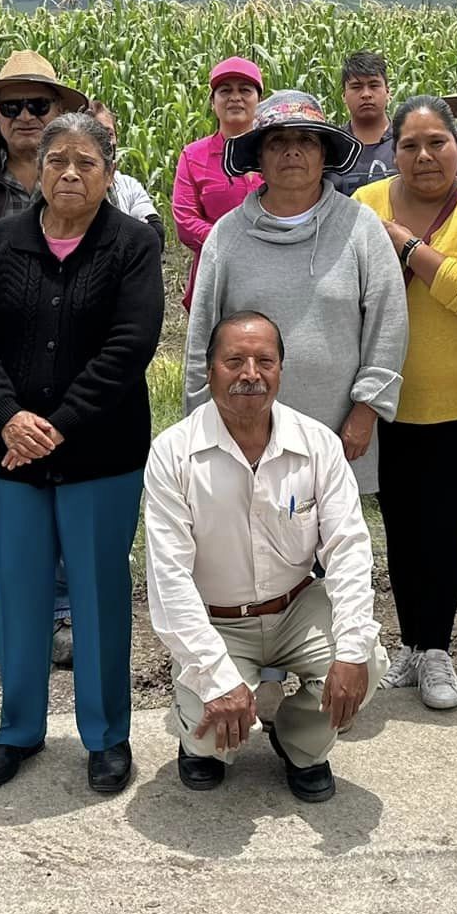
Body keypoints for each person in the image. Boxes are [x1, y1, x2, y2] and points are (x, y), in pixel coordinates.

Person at [0, 111, 165, 796]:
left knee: (100, 595)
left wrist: (57, 424)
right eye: (57, 162)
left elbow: (130, 346)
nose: (70, 174)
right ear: (39, 170)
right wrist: (11, 416)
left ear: (110, 171)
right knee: (17, 593)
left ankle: (107, 737)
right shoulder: (1, 241)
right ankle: (18, 729)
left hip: (101, 453)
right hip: (9, 452)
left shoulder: (132, 244)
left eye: (86, 162)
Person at [146, 312, 386, 801]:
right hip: (218, 620)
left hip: (298, 607)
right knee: (212, 729)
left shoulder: (317, 444)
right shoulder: (173, 453)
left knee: (367, 660)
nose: (250, 373)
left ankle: (299, 743)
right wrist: (216, 678)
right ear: (209, 371)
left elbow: (349, 547)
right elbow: (168, 578)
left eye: (265, 361)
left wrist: (352, 649)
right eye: (234, 361)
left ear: (281, 371)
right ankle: (201, 741)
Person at [356, 96, 457, 710]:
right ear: (392, 152)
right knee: (398, 523)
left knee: (442, 524)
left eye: (436, 143)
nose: (424, 156)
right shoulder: (364, 205)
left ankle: (440, 647)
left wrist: (406, 247)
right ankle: (413, 645)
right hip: (385, 397)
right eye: (410, 145)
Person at [0, 49, 88, 677]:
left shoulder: (85, 167)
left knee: (60, 484)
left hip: (68, 357)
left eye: (39, 105)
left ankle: (58, 610)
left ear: (60, 112)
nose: (26, 116)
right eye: (13, 107)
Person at [183, 89, 407, 493]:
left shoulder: (359, 227)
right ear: (258, 158)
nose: (292, 152)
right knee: (248, 546)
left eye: (306, 141)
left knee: (328, 548)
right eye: (277, 143)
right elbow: (202, 339)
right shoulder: (227, 236)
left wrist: (367, 409)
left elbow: (387, 324)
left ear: (324, 155)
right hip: (242, 431)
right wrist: (202, 425)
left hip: (337, 432)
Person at [170, 57, 265, 307]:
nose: (235, 97)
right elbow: (186, 223)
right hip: (215, 274)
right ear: (213, 103)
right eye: (225, 91)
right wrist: (235, 242)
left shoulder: (276, 154)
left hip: (273, 268)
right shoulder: (193, 156)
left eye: (245, 90)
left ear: (259, 101)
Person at [86, 99, 165, 242]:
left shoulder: (129, 185)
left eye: (109, 134)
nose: (106, 141)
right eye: (96, 133)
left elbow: (155, 233)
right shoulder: (71, 185)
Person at [331, 50, 395, 196]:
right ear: (343, 96)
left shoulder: (406, 142)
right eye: (356, 87)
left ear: (388, 92)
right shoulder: (332, 147)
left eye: (374, 85)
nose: (366, 94)